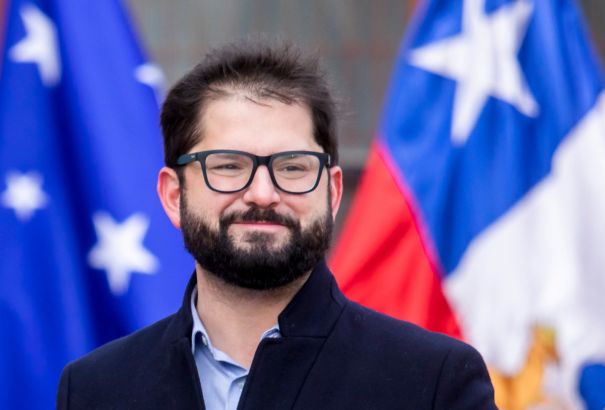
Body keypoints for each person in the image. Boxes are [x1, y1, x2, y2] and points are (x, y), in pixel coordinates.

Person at [56, 39, 497, 410]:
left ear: (332, 193)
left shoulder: (433, 382)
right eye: (228, 165)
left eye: (292, 167)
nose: (263, 194)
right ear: (174, 196)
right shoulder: (96, 390)